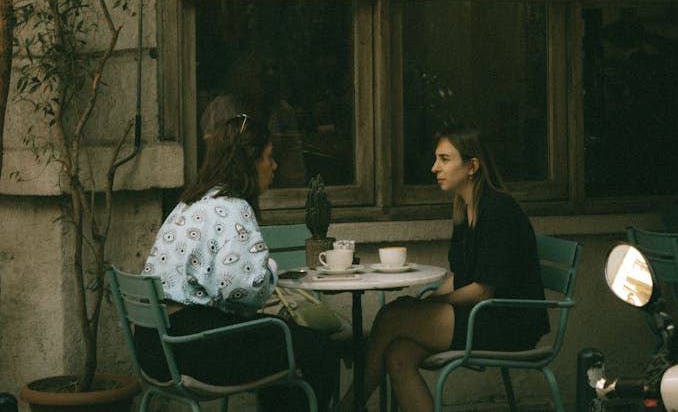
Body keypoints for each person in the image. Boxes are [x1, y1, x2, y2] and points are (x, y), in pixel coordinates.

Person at [135, 111, 338, 412]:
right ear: (250, 160)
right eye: (269, 157)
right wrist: (269, 268)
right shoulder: (232, 207)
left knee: (277, 337)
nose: (274, 165)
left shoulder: (190, 203)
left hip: (153, 348)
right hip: (189, 350)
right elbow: (243, 288)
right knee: (318, 349)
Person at [339, 126, 548, 412]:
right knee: (399, 354)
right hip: (480, 314)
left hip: (507, 322)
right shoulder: (465, 208)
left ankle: (348, 406)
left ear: (472, 166)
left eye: (445, 159)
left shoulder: (499, 210)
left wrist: (430, 304)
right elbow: (458, 278)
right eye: (437, 159)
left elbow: (483, 290)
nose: (434, 167)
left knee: (392, 315)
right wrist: (428, 302)